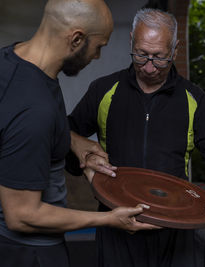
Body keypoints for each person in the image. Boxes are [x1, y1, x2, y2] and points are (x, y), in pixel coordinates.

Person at [67, 8, 205, 267]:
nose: (149, 67)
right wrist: (83, 159)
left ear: (175, 49)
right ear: (131, 43)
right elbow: (65, 136)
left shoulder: (193, 99)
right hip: (116, 223)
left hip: (175, 229)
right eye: (141, 55)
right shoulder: (104, 90)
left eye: (159, 57)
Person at [0, 1, 159, 267]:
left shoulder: (11, 60)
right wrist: (109, 220)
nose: (96, 57)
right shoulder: (35, 109)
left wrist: (72, 140)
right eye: (98, 47)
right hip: (28, 253)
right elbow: (22, 215)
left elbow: (11, 121)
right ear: (76, 39)